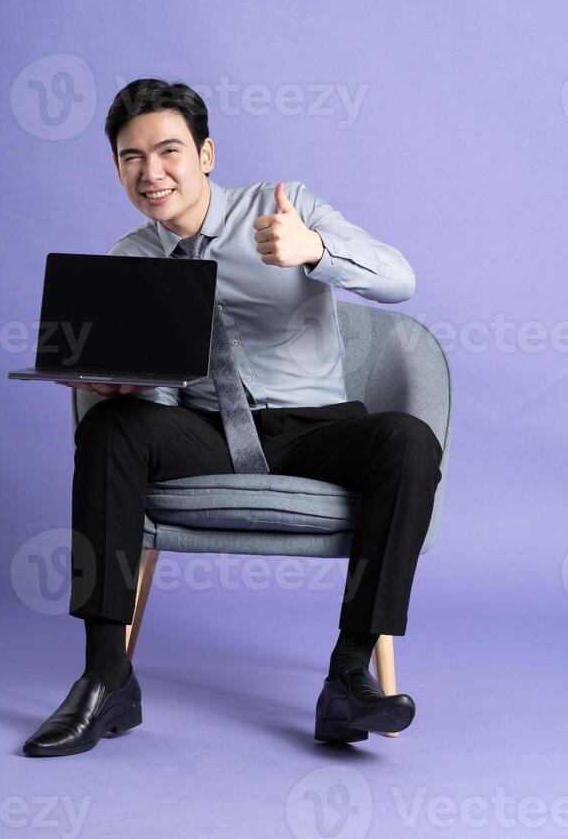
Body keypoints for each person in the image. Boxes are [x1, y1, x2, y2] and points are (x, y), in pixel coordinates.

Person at [22, 77, 443, 757]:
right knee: (109, 427)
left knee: (409, 440)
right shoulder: (130, 259)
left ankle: (347, 676)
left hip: (315, 428)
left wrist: (317, 253)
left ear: (206, 154)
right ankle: (106, 678)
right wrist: (124, 384)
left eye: (168, 151)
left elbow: (401, 279)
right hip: (205, 432)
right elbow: (149, 398)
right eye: (132, 158)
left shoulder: (284, 207)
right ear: (117, 169)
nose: (151, 173)